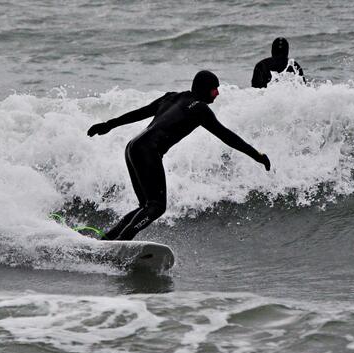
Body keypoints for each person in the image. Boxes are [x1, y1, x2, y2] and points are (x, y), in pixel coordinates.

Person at [87, 70, 271, 241]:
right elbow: (227, 137)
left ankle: (106, 241)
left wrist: (109, 124)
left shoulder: (171, 97)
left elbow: (140, 113)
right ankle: (120, 244)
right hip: (148, 151)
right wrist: (256, 155)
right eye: (215, 90)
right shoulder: (200, 108)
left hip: (133, 148)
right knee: (156, 207)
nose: (217, 94)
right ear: (206, 90)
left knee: (146, 207)